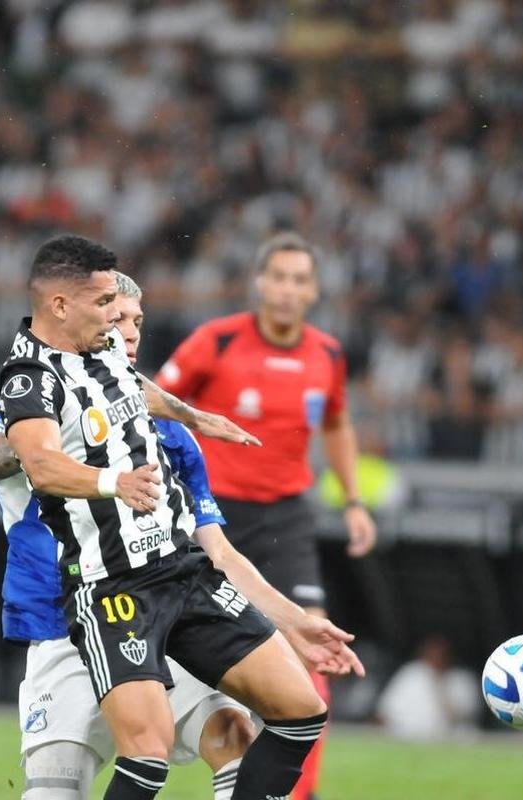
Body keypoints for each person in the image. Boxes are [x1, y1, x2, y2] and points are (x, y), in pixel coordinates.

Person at [0, 270, 365, 799]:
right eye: (117, 318)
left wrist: (293, 623)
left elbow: (219, 553)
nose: (129, 332)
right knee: (56, 787)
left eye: (138, 320)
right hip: (63, 624)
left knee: (236, 740)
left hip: (167, 616)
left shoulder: (171, 433)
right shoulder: (35, 397)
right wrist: (51, 438)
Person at [155, 231, 378, 799]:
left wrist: (353, 500)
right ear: (259, 283)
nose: (286, 289)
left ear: (314, 291)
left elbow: (337, 424)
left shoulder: (327, 354)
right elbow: (152, 403)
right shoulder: (217, 340)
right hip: (213, 517)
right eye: (277, 276)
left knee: (316, 651)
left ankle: (299, 793)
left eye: (298, 280)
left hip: (286, 521)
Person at [375, 635, 478, 741]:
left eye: (441, 653)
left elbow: (460, 719)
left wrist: (439, 683)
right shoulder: (411, 673)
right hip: (404, 738)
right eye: (433, 652)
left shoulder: (462, 680)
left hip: (446, 741)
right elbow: (383, 713)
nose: (436, 657)